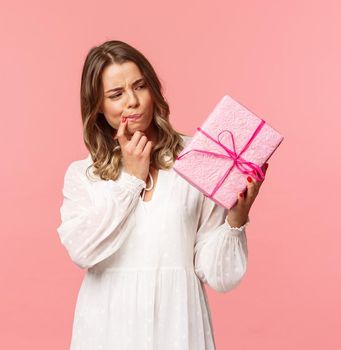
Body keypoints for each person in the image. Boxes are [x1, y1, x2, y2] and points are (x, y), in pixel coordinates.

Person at [56, 40, 270, 350]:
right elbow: (83, 251)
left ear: (153, 90)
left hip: (179, 326)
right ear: (98, 107)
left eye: (139, 86)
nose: (132, 101)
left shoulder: (199, 159)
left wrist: (236, 218)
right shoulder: (83, 174)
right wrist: (131, 178)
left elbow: (219, 276)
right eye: (116, 95)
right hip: (107, 327)